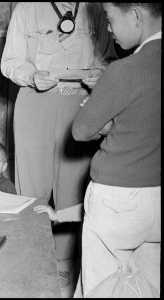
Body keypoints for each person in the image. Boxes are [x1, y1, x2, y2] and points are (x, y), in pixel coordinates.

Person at [0, 2, 117, 294]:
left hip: (81, 104)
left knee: (72, 190)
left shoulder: (97, 9)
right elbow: (9, 61)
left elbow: (110, 58)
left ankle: (63, 266)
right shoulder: (26, 9)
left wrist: (101, 74)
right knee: (31, 190)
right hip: (34, 101)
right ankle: (27, 259)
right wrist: (30, 75)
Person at [71, 3, 161, 296]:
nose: (108, 28)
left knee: (102, 287)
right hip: (157, 198)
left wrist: (107, 117)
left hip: (118, 199)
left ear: (135, 15)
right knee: (149, 285)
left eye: (110, 19)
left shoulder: (123, 70)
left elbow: (81, 130)